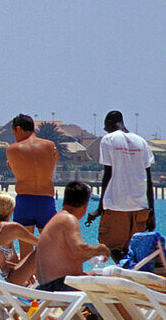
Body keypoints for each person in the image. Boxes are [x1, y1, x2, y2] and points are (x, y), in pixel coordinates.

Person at [88, 110, 156, 261]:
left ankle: (125, 273)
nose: (106, 130)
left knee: (110, 246)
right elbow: (148, 179)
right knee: (132, 249)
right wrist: (151, 212)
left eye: (106, 127)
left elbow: (108, 174)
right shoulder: (141, 142)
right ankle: (132, 275)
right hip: (140, 206)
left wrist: (100, 209)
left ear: (110, 123)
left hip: (116, 204)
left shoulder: (108, 139)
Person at [37, 181, 111, 291]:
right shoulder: (68, 219)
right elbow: (79, 249)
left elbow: (66, 258)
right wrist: (100, 249)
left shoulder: (56, 219)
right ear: (86, 204)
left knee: (98, 276)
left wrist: (93, 254)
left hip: (48, 286)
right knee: (114, 286)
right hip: (60, 286)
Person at [5, 114, 59, 234]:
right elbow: (52, 162)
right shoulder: (50, 146)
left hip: (25, 202)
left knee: (25, 250)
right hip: (46, 201)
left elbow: (12, 168)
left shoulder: (12, 149)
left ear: (18, 129)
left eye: (14, 133)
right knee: (50, 247)